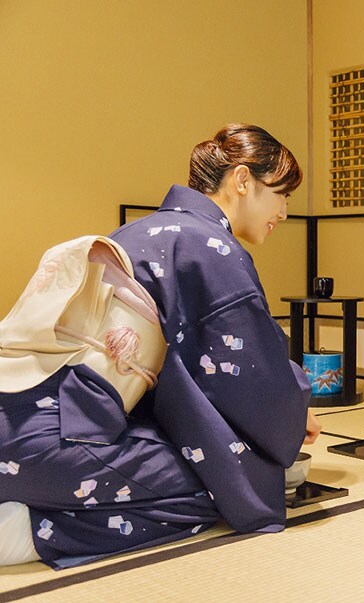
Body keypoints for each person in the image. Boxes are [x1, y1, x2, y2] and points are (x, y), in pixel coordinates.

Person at [0, 124, 320, 568]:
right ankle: (22, 531)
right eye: (282, 194)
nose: (284, 212)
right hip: (53, 438)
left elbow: (187, 376)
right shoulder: (209, 247)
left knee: (204, 463)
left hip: (24, 418)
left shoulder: (140, 231)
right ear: (243, 181)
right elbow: (249, 373)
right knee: (220, 486)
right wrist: (293, 409)